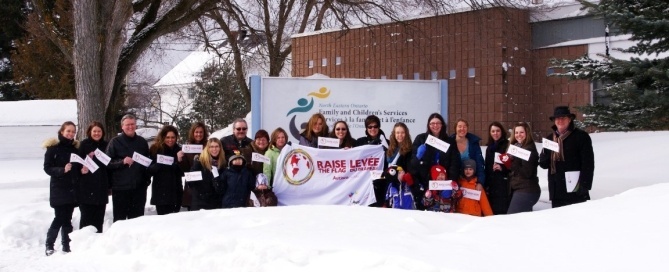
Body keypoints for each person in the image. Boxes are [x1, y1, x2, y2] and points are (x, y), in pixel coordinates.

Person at [539, 106, 595, 208]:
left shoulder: (581, 136)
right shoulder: (550, 139)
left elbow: (588, 163)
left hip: (575, 188)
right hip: (556, 189)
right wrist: (545, 156)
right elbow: (544, 164)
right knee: (560, 222)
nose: (560, 121)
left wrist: (585, 185)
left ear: (569, 119)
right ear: (554, 121)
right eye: (557, 118)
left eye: (563, 118)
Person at [42, 121, 79, 256]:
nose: (70, 134)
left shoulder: (75, 149)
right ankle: (49, 244)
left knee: (67, 217)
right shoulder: (53, 148)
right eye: (68, 131)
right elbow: (47, 168)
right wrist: (62, 170)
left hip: (71, 188)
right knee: (59, 217)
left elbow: (78, 166)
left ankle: (66, 245)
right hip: (58, 188)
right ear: (62, 131)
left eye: (73, 132)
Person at [410, 113, 461, 210]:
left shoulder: (450, 141)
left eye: (438, 123)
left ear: (442, 125)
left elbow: (455, 163)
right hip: (425, 184)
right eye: (432, 123)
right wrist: (418, 157)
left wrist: (450, 182)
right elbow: (413, 165)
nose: (435, 126)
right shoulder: (421, 139)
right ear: (428, 125)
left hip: (444, 184)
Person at [106, 114, 150, 222]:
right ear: (122, 126)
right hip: (121, 188)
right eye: (127, 125)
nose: (130, 127)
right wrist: (122, 162)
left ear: (136, 125)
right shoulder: (115, 142)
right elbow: (107, 163)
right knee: (120, 220)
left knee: (137, 220)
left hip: (138, 188)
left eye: (132, 124)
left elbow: (148, 163)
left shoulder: (142, 142)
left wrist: (146, 181)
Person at [77, 121, 109, 233]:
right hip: (86, 188)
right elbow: (77, 164)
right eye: (94, 131)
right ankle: (83, 242)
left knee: (99, 219)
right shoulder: (83, 145)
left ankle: (97, 243)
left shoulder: (107, 145)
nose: (97, 133)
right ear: (89, 132)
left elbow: (110, 164)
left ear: (102, 132)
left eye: (99, 131)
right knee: (86, 219)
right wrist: (82, 169)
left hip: (101, 187)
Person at [148, 125, 185, 215]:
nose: (170, 140)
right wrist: (159, 164)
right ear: (163, 137)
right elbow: (149, 170)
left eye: (173, 137)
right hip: (161, 192)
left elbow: (183, 172)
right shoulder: (155, 149)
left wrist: (179, 161)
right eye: (167, 137)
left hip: (176, 191)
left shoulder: (180, 150)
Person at [354, 115, 389, 207]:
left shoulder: (387, 142)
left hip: (381, 183)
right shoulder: (360, 142)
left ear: (379, 127)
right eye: (370, 127)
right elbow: (353, 158)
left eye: (375, 126)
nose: (373, 129)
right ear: (366, 128)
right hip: (363, 183)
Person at [507, 122, 540, 214]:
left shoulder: (528, 149)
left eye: (521, 132)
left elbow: (527, 173)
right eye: (516, 132)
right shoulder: (516, 147)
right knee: (523, 221)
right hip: (518, 188)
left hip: (526, 190)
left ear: (527, 133)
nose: (518, 135)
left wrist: (512, 162)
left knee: (511, 217)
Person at [190, 138, 226, 210]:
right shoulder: (200, 162)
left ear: (220, 148)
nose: (214, 149)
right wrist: (194, 170)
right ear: (207, 148)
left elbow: (221, 188)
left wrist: (216, 178)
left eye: (216, 146)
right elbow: (191, 183)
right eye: (211, 147)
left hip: (215, 202)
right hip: (200, 202)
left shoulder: (223, 164)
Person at [484, 121, 511, 214]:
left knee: (502, 211)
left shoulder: (508, 145)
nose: (495, 133)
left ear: (502, 131)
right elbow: (487, 166)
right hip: (492, 185)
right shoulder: (489, 148)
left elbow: (512, 165)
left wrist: (502, 168)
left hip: (503, 183)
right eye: (493, 131)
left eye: (498, 131)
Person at [181, 122, 209, 210]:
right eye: (196, 132)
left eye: (201, 132)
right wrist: (180, 159)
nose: (199, 134)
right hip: (192, 185)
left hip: (206, 184)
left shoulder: (209, 146)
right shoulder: (187, 147)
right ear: (192, 133)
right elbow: (184, 169)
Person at [451, 119, 485, 190]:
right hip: (454, 181)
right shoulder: (449, 143)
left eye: (464, 126)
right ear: (455, 128)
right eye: (459, 126)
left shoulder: (473, 143)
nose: (462, 129)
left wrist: (480, 182)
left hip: (471, 181)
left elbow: (479, 163)